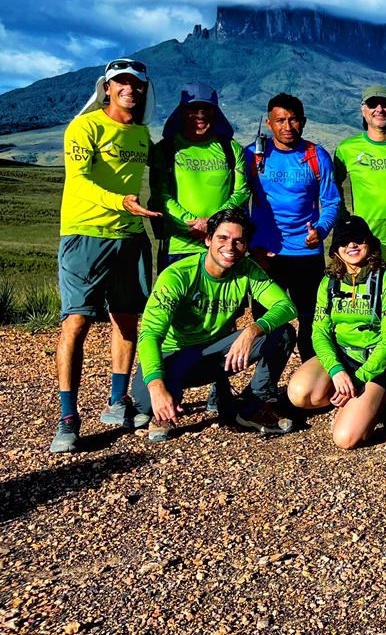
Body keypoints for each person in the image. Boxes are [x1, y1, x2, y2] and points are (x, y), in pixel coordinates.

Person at [51, 58, 164, 452]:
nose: (128, 88)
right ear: (107, 87)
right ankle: (68, 415)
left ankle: (118, 401)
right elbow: (78, 180)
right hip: (85, 234)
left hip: (130, 237)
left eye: (135, 83)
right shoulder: (84, 127)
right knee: (76, 322)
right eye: (121, 83)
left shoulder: (141, 135)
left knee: (128, 320)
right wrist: (120, 200)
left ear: (144, 90)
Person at [131, 207, 298, 442]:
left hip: (216, 353)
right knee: (145, 402)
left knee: (282, 333)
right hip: (174, 355)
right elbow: (149, 334)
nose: (230, 247)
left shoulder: (248, 270)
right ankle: (167, 401)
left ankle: (254, 405)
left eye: (239, 241)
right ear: (208, 239)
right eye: (222, 238)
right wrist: (157, 386)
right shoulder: (178, 276)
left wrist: (253, 329)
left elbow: (286, 307)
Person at [287, 215, 386, 449]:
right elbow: (319, 331)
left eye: (357, 240)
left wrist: (359, 378)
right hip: (343, 355)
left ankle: (384, 392)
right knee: (299, 393)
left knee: (345, 439)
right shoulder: (329, 282)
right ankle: (347, 396)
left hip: (374, 363)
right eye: (344, 241)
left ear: (369, 243)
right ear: (336, 251)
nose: (351, 245)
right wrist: (336, 369)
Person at [245, 93, 342, 367]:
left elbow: (332, 201)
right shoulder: (254, 155)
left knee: (311, 319)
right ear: (269, 123)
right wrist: (252, 247)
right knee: (266, 320)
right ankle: (263, 386)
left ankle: (310, 381)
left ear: (304, 122)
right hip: (267, 254)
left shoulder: (316, 155)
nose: (287, 126)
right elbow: (240, 204)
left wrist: (320, 230)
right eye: (280, 120)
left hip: (306, 253)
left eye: (293, 120)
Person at [149, 83, 248, 270]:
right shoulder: (165, 149)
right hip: (177, 248)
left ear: (215, 112)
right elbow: (161, 196)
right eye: (193, 108)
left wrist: (212, 224)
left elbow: (241, 192)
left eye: (206, 109)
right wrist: (193, 225)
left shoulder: (231, 149)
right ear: (182, 111)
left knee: (226, 300)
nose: (200, 115)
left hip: (224, 248)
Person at [333, 85, 386, 267]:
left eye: (385, 104)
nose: (379, 109)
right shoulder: (347, 149)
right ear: (363, 110)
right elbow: (332, 186)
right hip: (367, 242)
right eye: (373, 104)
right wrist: (344, 218)